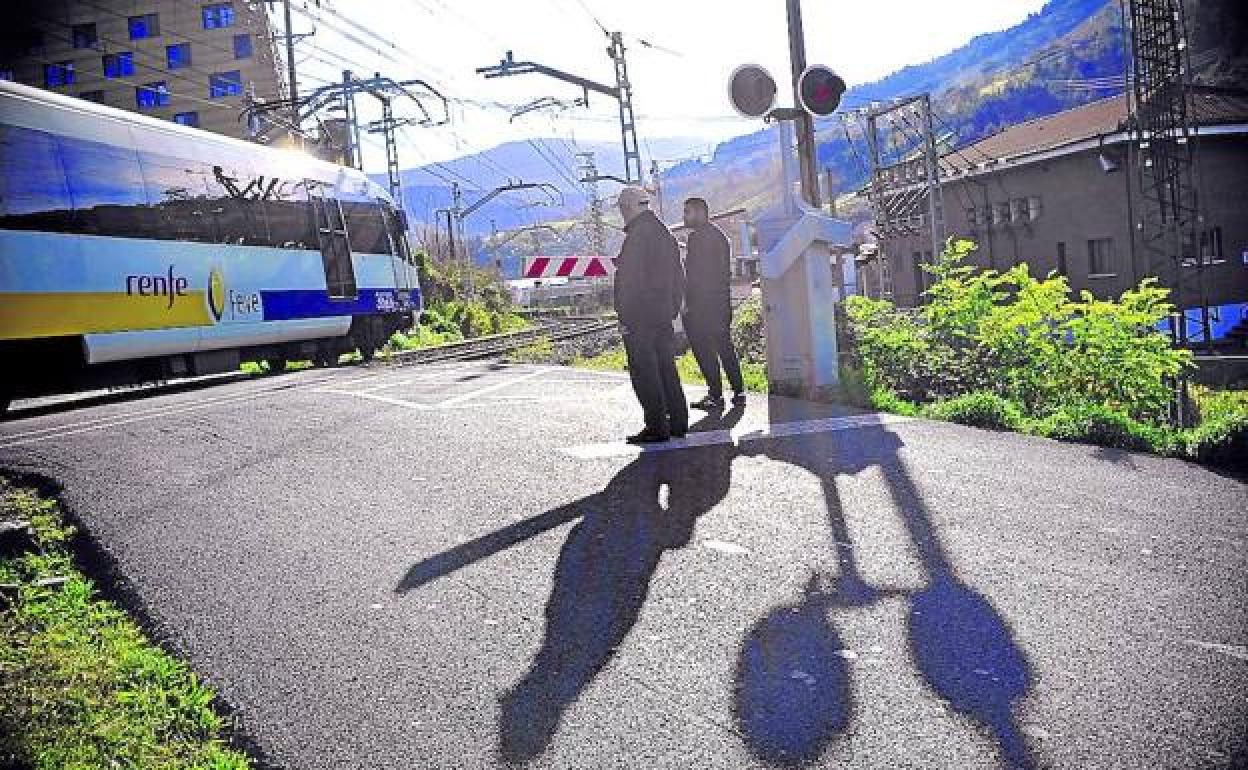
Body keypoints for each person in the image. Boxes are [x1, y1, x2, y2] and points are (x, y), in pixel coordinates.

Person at [613, 186, 688, 444]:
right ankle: (678, 422)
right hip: (662, 315)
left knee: (645, 372)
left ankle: (656, 426)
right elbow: (679, 275)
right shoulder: (664, 233)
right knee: (667, 368)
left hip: (640, 317)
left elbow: (629, 282)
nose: (622, 214)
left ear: (631, 207)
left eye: (623, 208)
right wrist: (672, 307)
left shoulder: (637, 236)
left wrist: (624, 316)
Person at [681, 197, 745, 410]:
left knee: (704, 351)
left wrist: (688, 305)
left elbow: (694, 276)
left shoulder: (697, 239)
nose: (684, 217)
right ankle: (739, 391)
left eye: (687, 212)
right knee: (725, 347)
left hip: (702, 306)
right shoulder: (721, 237)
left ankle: (715, 394)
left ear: (700, 212)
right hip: (721, 303)